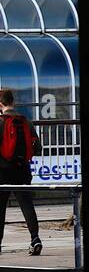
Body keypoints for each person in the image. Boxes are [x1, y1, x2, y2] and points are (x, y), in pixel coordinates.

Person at [0, 89, 42, 256]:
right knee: (27, 204)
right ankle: (35, 239)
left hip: (2, 171)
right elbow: (38, 148)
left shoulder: (0, 122)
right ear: (13, 102)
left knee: (0, 208)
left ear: (1, 104)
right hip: (23, 170)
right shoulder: (26, 122)